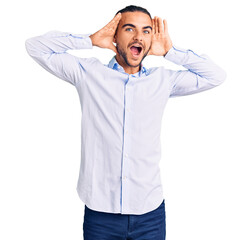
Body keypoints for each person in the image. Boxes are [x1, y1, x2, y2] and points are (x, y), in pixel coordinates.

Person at [25, 4, 226, 240]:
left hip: (149, 213)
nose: (139, 36)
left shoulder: (162, 80)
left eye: (146, 31)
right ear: (115, 35)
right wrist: (90, 40)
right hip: (101, 215)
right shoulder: (88, 74)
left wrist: (171, 52)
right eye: (129, 29)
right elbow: (35, 47)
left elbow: (216, 75)